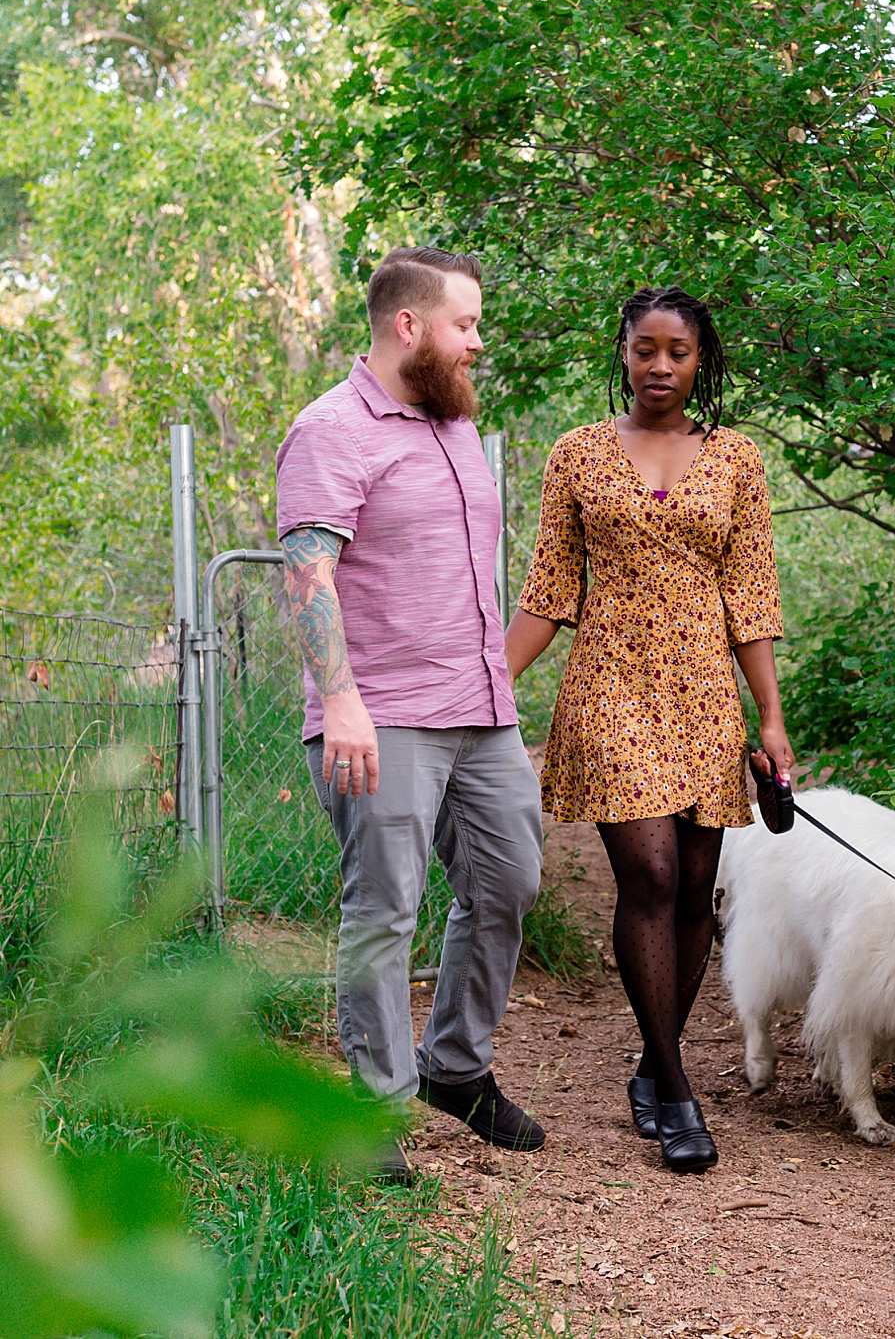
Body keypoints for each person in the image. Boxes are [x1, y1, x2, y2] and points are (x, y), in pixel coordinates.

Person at [505, 286, 794, 1175]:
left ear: (701, 360)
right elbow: (550, 590)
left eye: (678, 351)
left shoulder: (737, 459)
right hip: (611, 688)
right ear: (622, 353)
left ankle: (650, 1065)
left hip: (706, 693)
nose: (660, 366)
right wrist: (479, 686)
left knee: (697, 886)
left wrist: (772, 718)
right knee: (652, 874)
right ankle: (675, 1089)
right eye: (645, 350)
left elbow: (750, 598)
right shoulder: (577, 455)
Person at [275, 246, 546, 1184]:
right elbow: (307, 574)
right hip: (380, 715)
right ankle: (373, 1110)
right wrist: (340, 699)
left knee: (508, 886)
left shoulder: (455, 424)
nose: (477, 341)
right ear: (409, 325)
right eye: (465, 324)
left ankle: (455, 1068)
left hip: (482, 709)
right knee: (385, 912)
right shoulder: (331, 430)